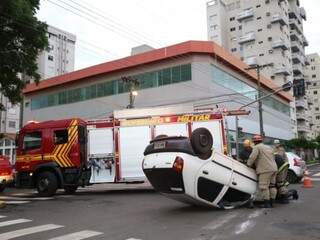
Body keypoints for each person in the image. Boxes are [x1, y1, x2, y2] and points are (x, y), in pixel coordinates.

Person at [247, 135, 278, 208]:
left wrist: (248, 164)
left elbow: (252, 157)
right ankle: (272, 202)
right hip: (274, 168)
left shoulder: (257, 147)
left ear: (255, 142)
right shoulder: (268, 147)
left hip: (265, 169)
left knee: (264, 186)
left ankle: (266, 203)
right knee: (272, 185)